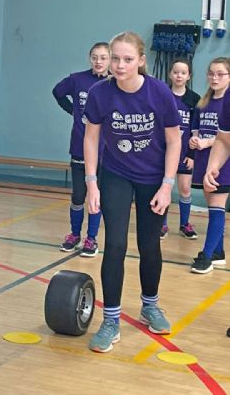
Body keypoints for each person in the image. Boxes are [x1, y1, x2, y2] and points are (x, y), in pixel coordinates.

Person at [83, 31, 181, 353]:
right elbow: (91, 138)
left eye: (127, 59)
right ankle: (110, 320)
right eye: (115, 58)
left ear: (141, 60)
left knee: (149, 245)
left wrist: (167, 185)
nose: (120, 65)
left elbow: (174, 140)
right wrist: (92, 182)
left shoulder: (159, 92)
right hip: (116, 175)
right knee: (115, 244)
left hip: (153, 178)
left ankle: (150, 305)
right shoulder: (100, 93)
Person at [52, 42, 110, 257]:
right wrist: (74, 111)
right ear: (90, 58)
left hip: (105, 151)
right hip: (79, 145)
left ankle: (91, 238)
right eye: (95, 57)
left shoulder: (115, 83)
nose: (98, 61)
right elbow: (57, 92)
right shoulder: (78, 79)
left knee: (97, 196)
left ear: (110, 59)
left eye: (103, 57)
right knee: (78, 195)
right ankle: (74, 234)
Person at [189, 58, 230, 274]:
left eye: (220, 74)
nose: (215, 78)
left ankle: (206, 256)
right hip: (206, 159)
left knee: (216, 207)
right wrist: (196, 141)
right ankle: (218, 252)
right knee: (213, 207)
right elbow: (197, 128)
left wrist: (208, 142)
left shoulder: (226, 102)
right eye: (211, 73)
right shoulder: (203, 102)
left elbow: (224, 138)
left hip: (225, 161)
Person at [160, 60, 200, 240]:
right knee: (164, 188)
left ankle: (184, 224)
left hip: (185, 153)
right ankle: (162, 224)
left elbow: (196, 130)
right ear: (170, 74)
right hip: (164, 153)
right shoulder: (162, 94)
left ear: (189, 76)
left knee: (185, 189)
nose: (179, 76)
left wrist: (192, 155)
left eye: (183, 73)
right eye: (176, 72)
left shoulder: (194, 99)